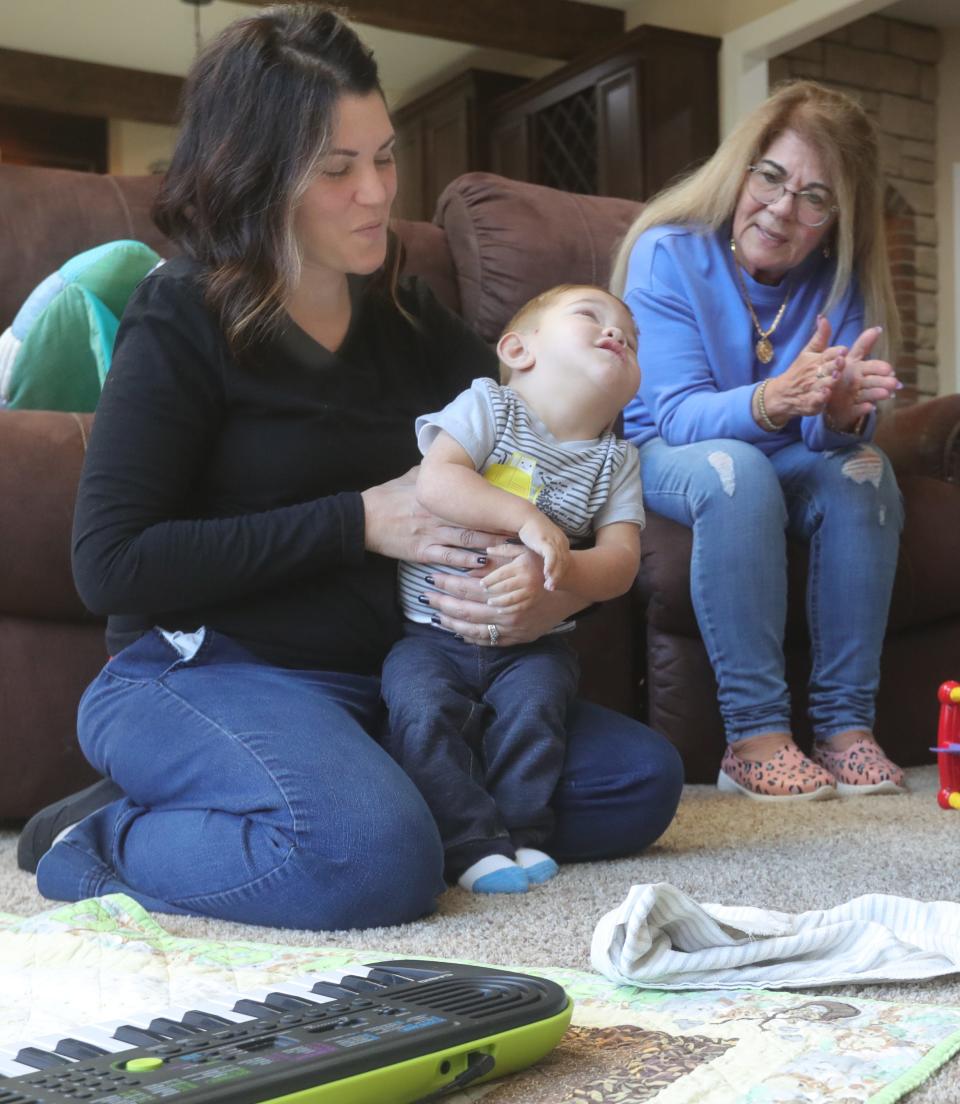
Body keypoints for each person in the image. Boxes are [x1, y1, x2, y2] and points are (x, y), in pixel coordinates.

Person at [16, 4, 683, 931]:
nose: (376, 192)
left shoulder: (406, 318)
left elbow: (543, 460)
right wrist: (359, 518)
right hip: (201, 674)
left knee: (638, 782)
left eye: (383, 157)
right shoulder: (182, 315)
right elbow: (113, 563)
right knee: (378, 863)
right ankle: (101, 840)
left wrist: (559, 593)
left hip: (394, 681)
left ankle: (355, 787)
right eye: (337, 169)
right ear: (255, 174)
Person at [609, 79, 906, 802]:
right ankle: (755, 738)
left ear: (836, 221)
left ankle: (844, 727)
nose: (781, 208)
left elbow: (828, 434)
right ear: (740, 170)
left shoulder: (839, 280)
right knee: (735, 467)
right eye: (770, 177)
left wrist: (836, 417)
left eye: (814, 198)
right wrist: (776, 399)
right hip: (670, 455)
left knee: (866, 469)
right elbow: (675, 414)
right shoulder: (668, 251)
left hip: (778, 453)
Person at [382, 285, 645, 895]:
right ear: (518, 349)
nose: (616, 334)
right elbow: (437, 483)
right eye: (591, 317)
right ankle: (468, 844)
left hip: (534, 644)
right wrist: (532, 523)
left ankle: (521, 834)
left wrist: (565, 572)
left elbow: (622, 562)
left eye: (630, 339)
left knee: (537, 710)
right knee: (422, 710)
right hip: (432, 634)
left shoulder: (616, 461)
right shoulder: (489, 407)